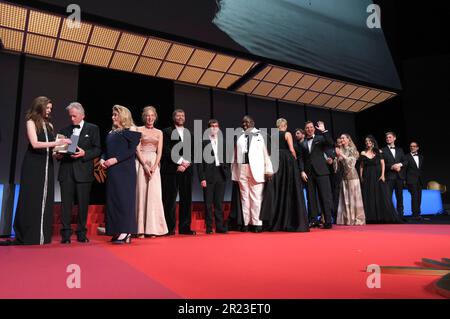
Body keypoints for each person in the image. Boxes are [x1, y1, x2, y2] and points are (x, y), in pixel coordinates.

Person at [1, 96, 71, 246]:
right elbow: (35, 143)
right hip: (34, 164)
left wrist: (59, 151)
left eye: (50, 108)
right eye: (47, 108)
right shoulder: (31, 122)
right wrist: (56, 143)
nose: (49, 111)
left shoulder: (50, 125)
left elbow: (50, 148)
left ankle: (42, 236)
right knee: (32, 198)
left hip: (47, 165)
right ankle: (28, 236)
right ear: (40, 107)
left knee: (45, 199)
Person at [56, 102, 101, 244]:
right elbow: (59, 151)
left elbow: (98, 149)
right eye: (70, 116)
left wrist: (84, 153)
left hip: (83, 171)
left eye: (74, 116)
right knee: (66, 205)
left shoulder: (93, 129)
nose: (72, 119)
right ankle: (66, 235)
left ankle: (81, 233)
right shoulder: (64, 130)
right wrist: (58, 154)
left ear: (82, 115)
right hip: (67, 171)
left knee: (82, 204)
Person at [101, 105, 141, 244]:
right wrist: (102, 158)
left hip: (125, 170)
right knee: (114, 201)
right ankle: (117, 230)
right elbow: (107, 150)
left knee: (125, 200)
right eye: (112, 115)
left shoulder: (131, 130)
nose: (113, 117)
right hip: (112, 170)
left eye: (115, 115)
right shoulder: (111, 132)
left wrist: (115, 159)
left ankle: (126, 231)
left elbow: (131, 151)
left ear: (123, 116)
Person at [261, 119, 309, 232]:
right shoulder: (287, 134)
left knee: (277, 189)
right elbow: (292, 149)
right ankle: (289, 220)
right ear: (285, 125)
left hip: (275, 160)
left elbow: (270, 151)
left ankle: (274, 221)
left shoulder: (272, 134)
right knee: (289, 188)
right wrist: (295, 159)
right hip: (287, 161)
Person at [231, 116, 273, 233]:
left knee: (256, 197)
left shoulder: (261, 135)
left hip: (257, 169)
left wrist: (268, 170)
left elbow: (266, 154)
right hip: (242, 169)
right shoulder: (239, 137)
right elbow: (234, 157)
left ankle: (257, 224)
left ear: (252, 123)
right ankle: (246, 223)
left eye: (246, 122)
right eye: (243, 123)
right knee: (244, 198)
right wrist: (234, 174)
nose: (244, 124)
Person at [161, 109, 196, 235]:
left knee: (186, 198)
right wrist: (180, 161)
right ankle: (169, 228)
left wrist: (186, 163)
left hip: (186, 169)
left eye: (183, 115)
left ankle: (185, 227)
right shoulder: (166, 131)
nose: (180, 117)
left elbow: (193, 151)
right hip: (171, 169)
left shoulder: (190, 133)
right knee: (170, 199)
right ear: (173, 117)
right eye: (178, 115)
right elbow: (166, 149)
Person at [135, 106, 168, 237]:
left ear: (155, 117)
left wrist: (154, 166)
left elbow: (159, 151)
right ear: (144, 117)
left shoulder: (159, 132)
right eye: (147, 115)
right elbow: (137, 149)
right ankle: (140, 229)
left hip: (154, 162)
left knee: (154, 196)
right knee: (141, 194)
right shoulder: (138, 129)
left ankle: (152, 229)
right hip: (142, 161)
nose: (150, 118)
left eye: (152, 115)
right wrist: (144, 165)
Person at [298, 121, 334, 229]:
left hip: (322, 171)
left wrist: (324, 131)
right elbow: (300, 158)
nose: (309, 129)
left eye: (311, 127)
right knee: (311, 198)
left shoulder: (320, 138)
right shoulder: (302, 142)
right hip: (308, 173)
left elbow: (330, 143)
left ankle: (327, 221)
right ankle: (313, 220)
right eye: (307, 128)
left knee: (325, 197)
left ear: (314, 128)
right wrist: (302, 171)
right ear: (305, 130)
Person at [197, 119, 230, 234]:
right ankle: (209, 227)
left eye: (216, 126)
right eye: (212, 126)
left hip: (220, 174)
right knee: (208, 203)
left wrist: (226, 170)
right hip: (208, 175)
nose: (214, 128)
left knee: (219, 202)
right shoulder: (203, 143)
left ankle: (220, 227)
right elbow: (199, 162)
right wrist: (202, 178)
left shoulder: (223, 142)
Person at [360, 135, 401, 223]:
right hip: (368, 175)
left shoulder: (379, 151)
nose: (368, 143)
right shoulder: (363, 153)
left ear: (373, 142)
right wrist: (361, 176)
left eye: (369, 142)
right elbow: (361, 166)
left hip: (377, 174)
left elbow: (382, 164)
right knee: (369, 195)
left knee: (381, 195)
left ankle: (382, 217)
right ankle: (370, 217)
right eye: (366, 142)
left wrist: (382, 175)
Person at [334, 134, 365, 226]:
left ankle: (355, 219)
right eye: (341, 138)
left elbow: (351, 163)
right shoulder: (340, 150)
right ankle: (346, 219)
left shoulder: (352, 150)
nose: (341, 139)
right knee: (345, 198)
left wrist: (342, 155)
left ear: (348, 140)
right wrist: (336, 159)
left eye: (343, 138)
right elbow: (336, 168)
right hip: (344, 177)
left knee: (353, 197)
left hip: (352, 176)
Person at [381, 132, 407, 218]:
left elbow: (405, 161)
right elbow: (382, 164)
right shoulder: (383, 150)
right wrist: (392, 166)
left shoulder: (400, 150)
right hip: (389, 177)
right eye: (387, 137)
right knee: (388, 197)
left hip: (399, 177)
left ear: (394, 138)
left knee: (400, 197)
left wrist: (399, 165)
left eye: (390, 137)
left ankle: (401, 215)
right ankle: (389, 215)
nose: (388, 139)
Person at [404, 141, 424, 221]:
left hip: (419, 180)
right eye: (411, 146)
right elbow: (405, 169)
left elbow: (420, 169)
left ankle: (418, 214)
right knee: (414, 196)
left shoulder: (421, 157)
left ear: (417, 148)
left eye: (414, 146)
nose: (412, 147)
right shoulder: (406, 156)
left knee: (419, 197)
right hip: (410, 180)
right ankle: (415, 214)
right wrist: (405, 180)